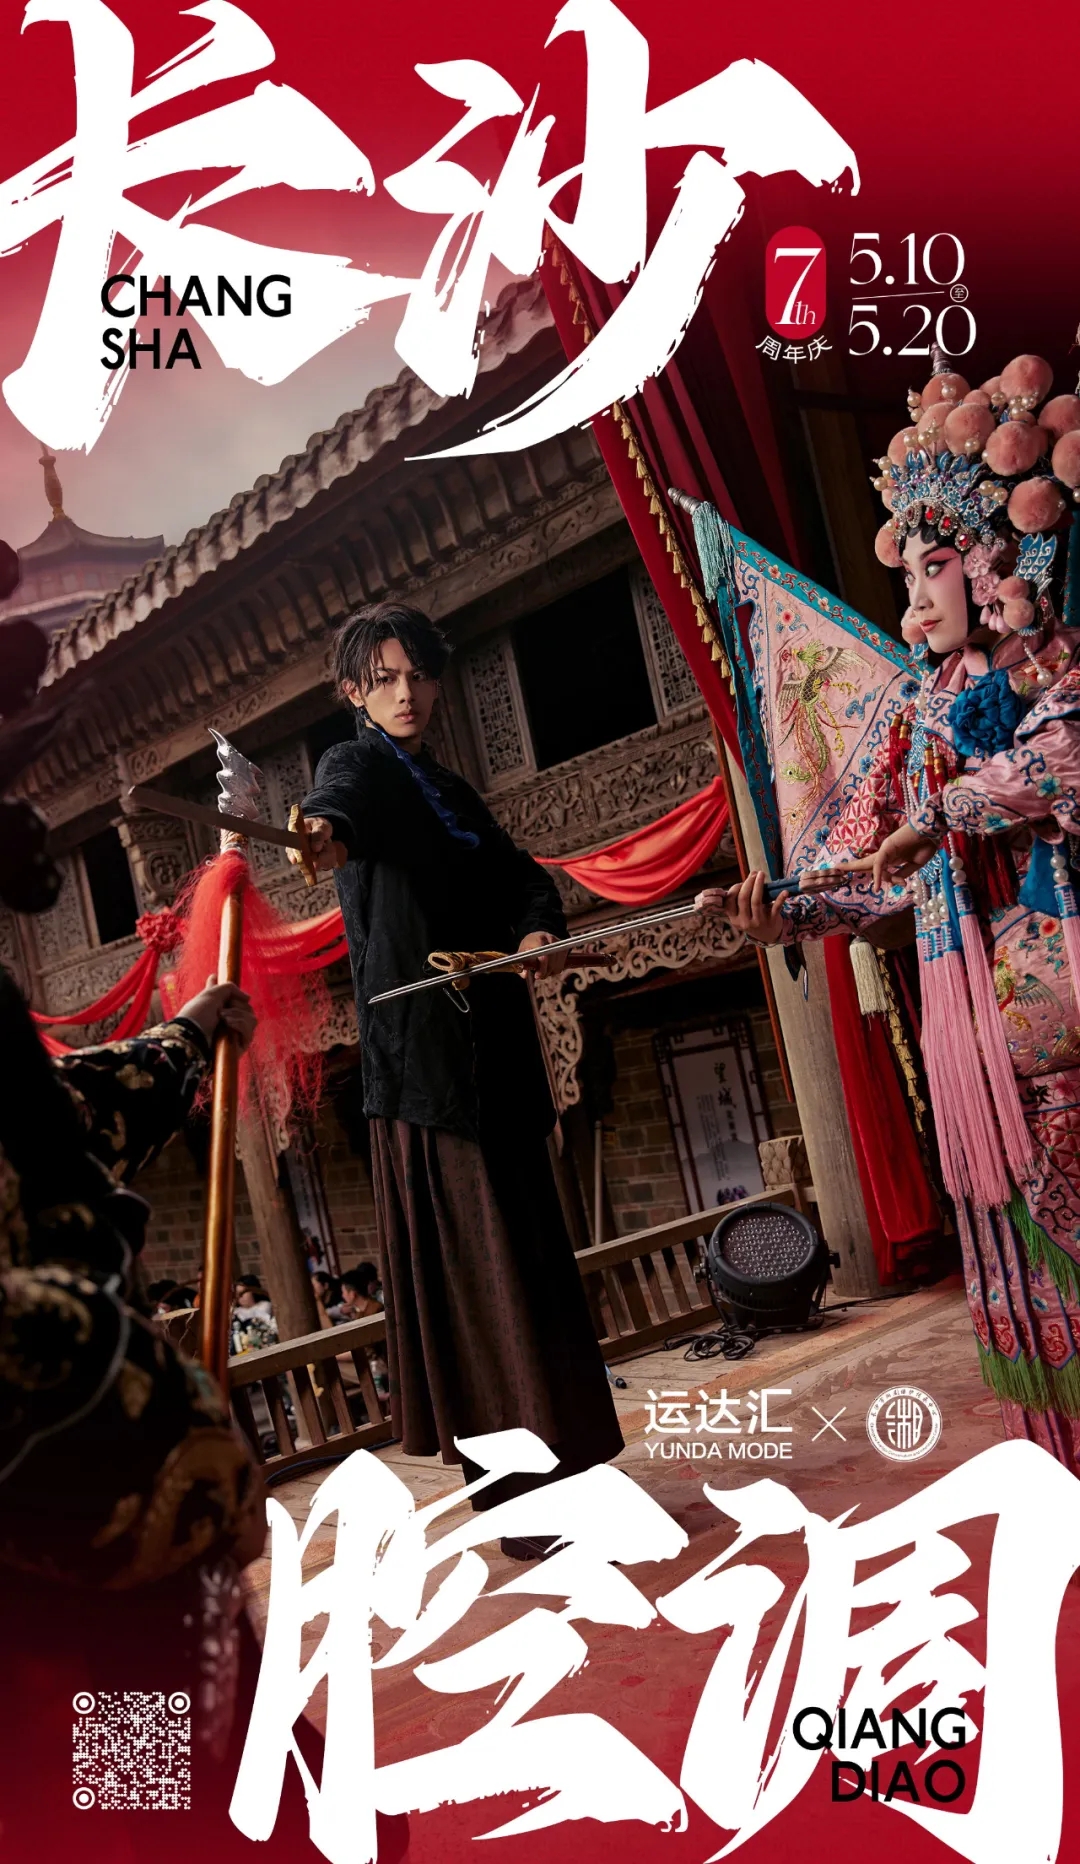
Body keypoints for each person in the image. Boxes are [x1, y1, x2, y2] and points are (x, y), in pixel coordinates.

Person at [697, 349, 1080, 1475]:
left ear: (996, 560)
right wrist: (783, 912)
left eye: (937, 567)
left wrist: (946, 812)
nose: (915, 597)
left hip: (1059, 979)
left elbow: (1063, 762)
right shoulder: (921, 711)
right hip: (982, 1024)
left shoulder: (1046, 661)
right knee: (1018, 1237)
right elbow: (876, 869)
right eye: (908, 573)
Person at [292, 600, 623, 1553]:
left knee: (534, 1273)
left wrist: (536, 931)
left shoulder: (455, 793)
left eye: (417, 676)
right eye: (384, 679)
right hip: (429, 1077)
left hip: (499, 1061)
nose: (406, 693)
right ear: (354, 691)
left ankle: (572, 1474)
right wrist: (323, 837)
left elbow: (522, 877)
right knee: (486, 1290)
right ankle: (521, 1506)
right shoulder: (355, 766)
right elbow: (338, 813)